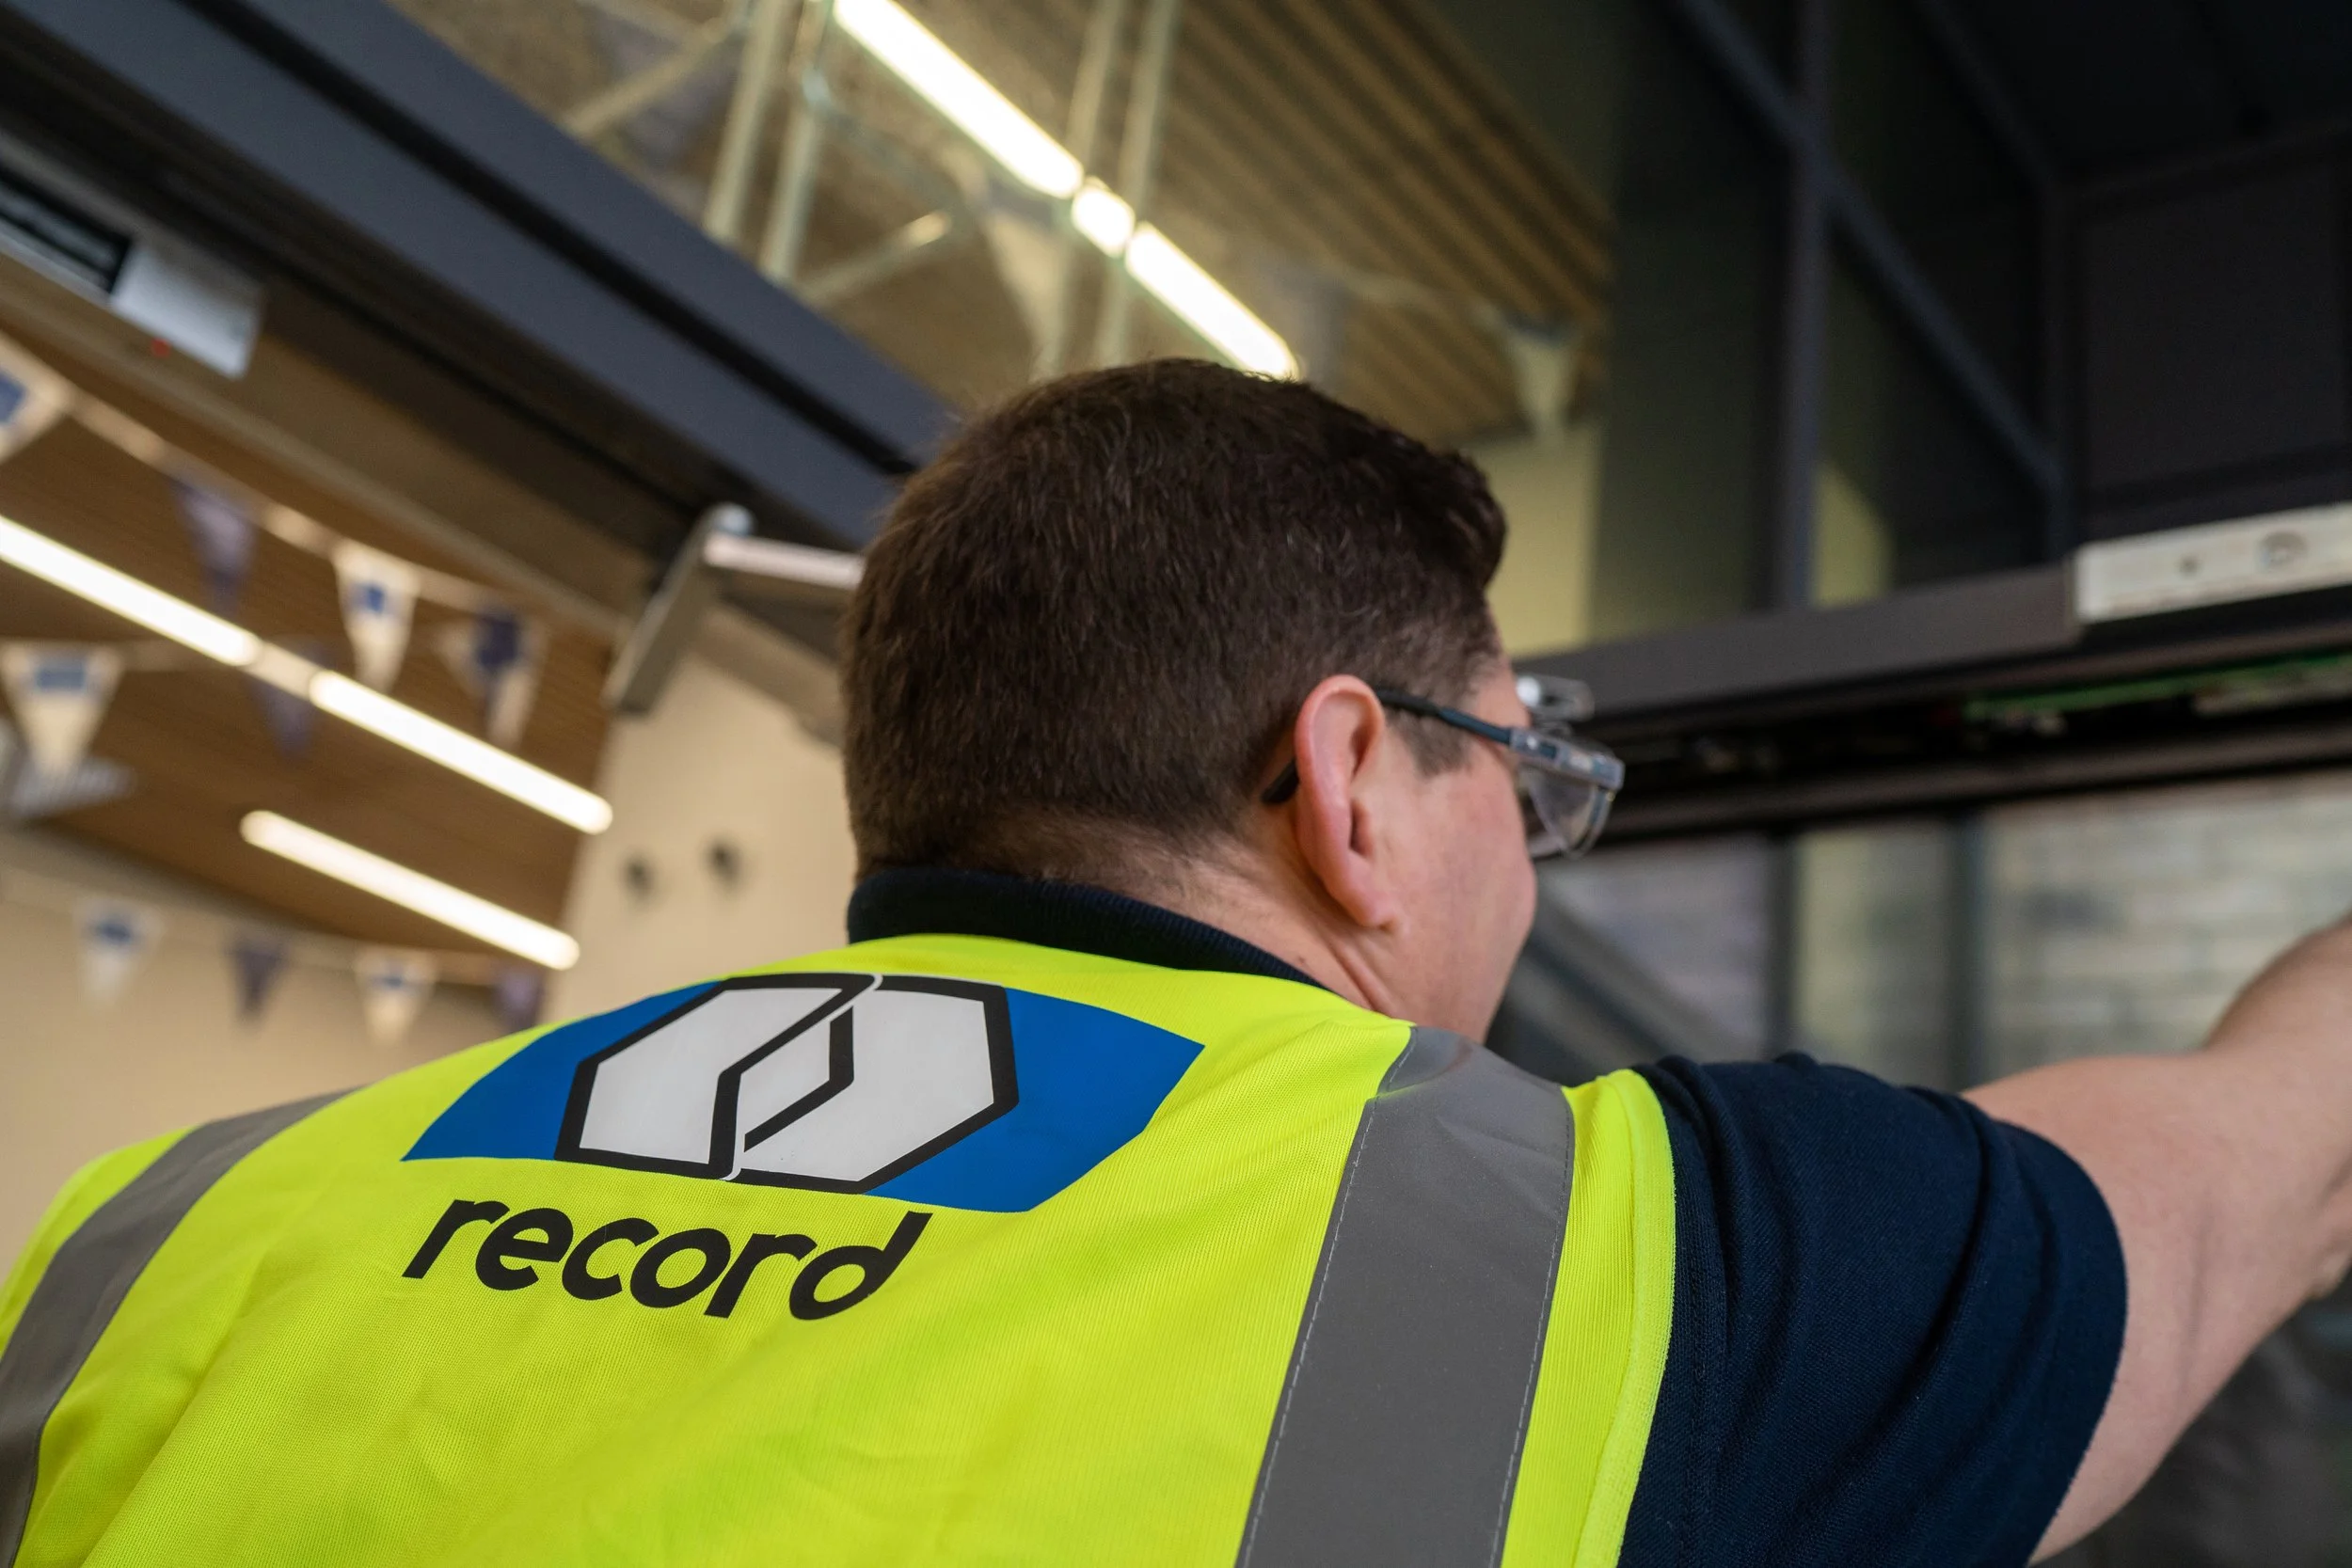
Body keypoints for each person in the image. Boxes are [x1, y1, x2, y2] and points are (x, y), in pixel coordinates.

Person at [0, 360, 2345, 1568]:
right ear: (1345, 781)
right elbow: (2274, 1154)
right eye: (1507, 780)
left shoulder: (190, 1217)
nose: (1521, 868)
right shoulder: (1611, 1270)